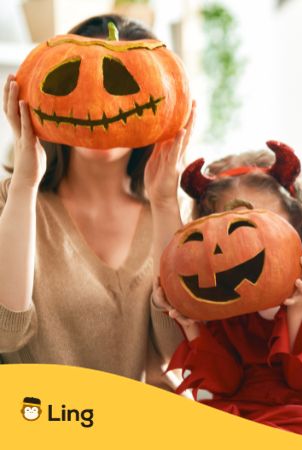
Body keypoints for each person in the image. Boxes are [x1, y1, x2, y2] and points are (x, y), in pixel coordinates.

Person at [0, 14, 190, 387]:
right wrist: (24, 186)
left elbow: (176, 350)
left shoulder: (169, 212)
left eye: (121, 83)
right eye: (75, 80)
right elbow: (7, 333)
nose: (97, 102)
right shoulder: (13, 199)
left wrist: (167, 205)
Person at [158, 141, 302, 440]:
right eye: (231, 228)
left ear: (294, 219)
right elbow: (224, 384)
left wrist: (297, 309)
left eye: (260, 222)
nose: (251, 242)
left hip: (296, 423)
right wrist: (190, 324)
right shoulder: (224, 299)